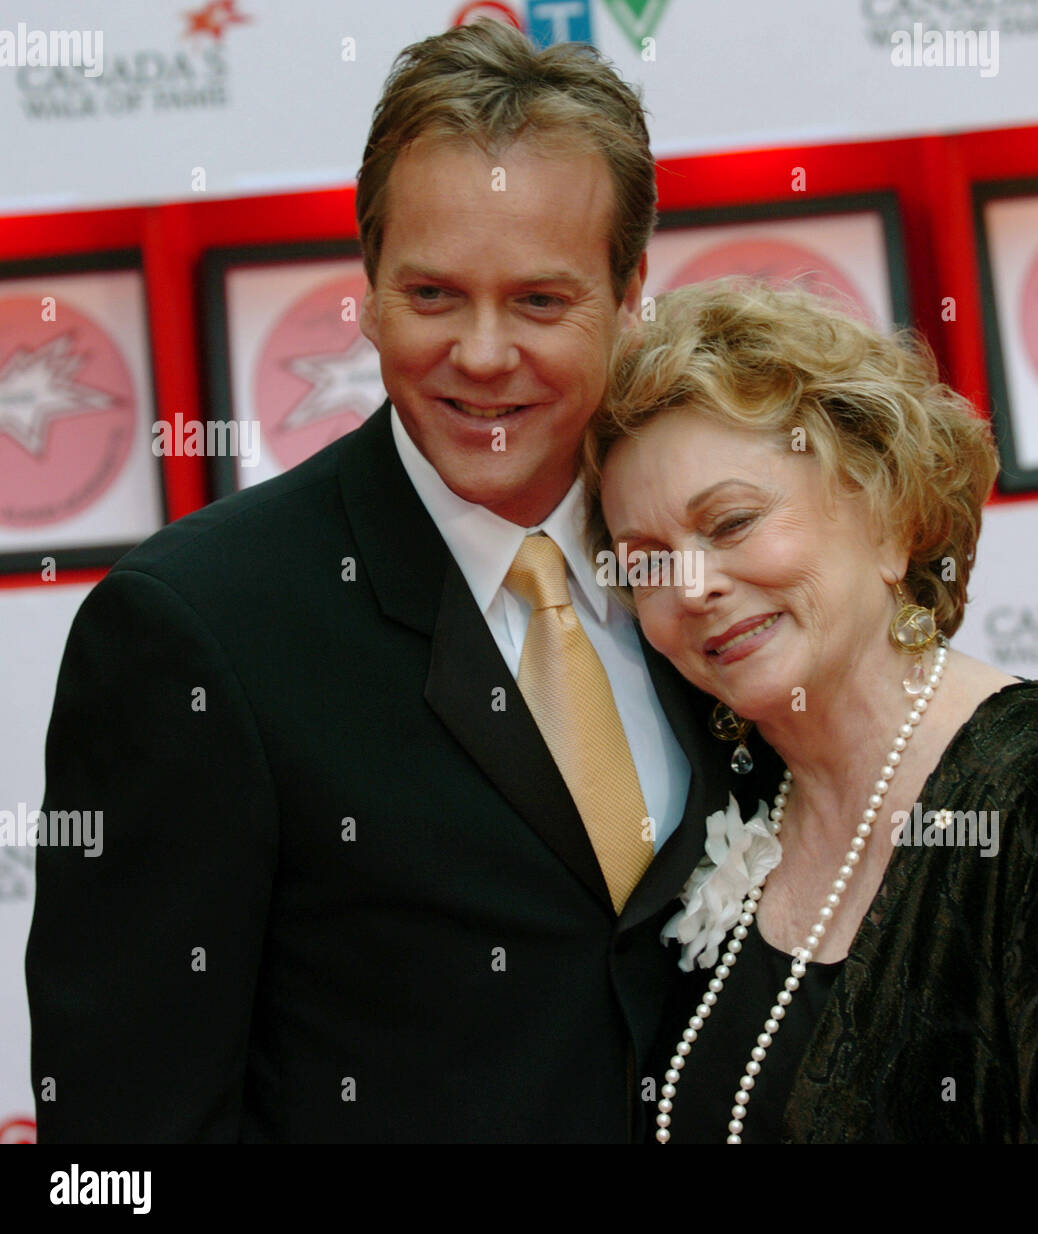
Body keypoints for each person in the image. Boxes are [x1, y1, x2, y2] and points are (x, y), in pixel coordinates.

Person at [26, 22, 744, 1143]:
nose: (485, 354)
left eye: (543, 302)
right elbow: (128, 1132)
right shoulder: (198, 629)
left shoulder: (717, 570)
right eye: (433, 295)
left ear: (631, 288)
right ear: (365, 288)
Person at [583, 279, 1038, 1143]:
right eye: (645, 561)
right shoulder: (722, 806)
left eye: (731, 523)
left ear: (890, 517)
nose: (691, 588)